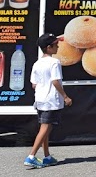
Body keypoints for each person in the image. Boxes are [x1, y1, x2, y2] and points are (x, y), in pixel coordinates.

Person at [25, 33, 72, 168]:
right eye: (56, 44)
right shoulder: (54, 62)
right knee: (46, 127)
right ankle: (31, 156)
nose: (58, 46)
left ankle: (47, 156)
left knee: (45, 128)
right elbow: (55, 81)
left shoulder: (37, 63)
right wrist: (65, 97)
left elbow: (34, 84)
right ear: (49, 47)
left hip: (40, 99)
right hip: (51, 99)